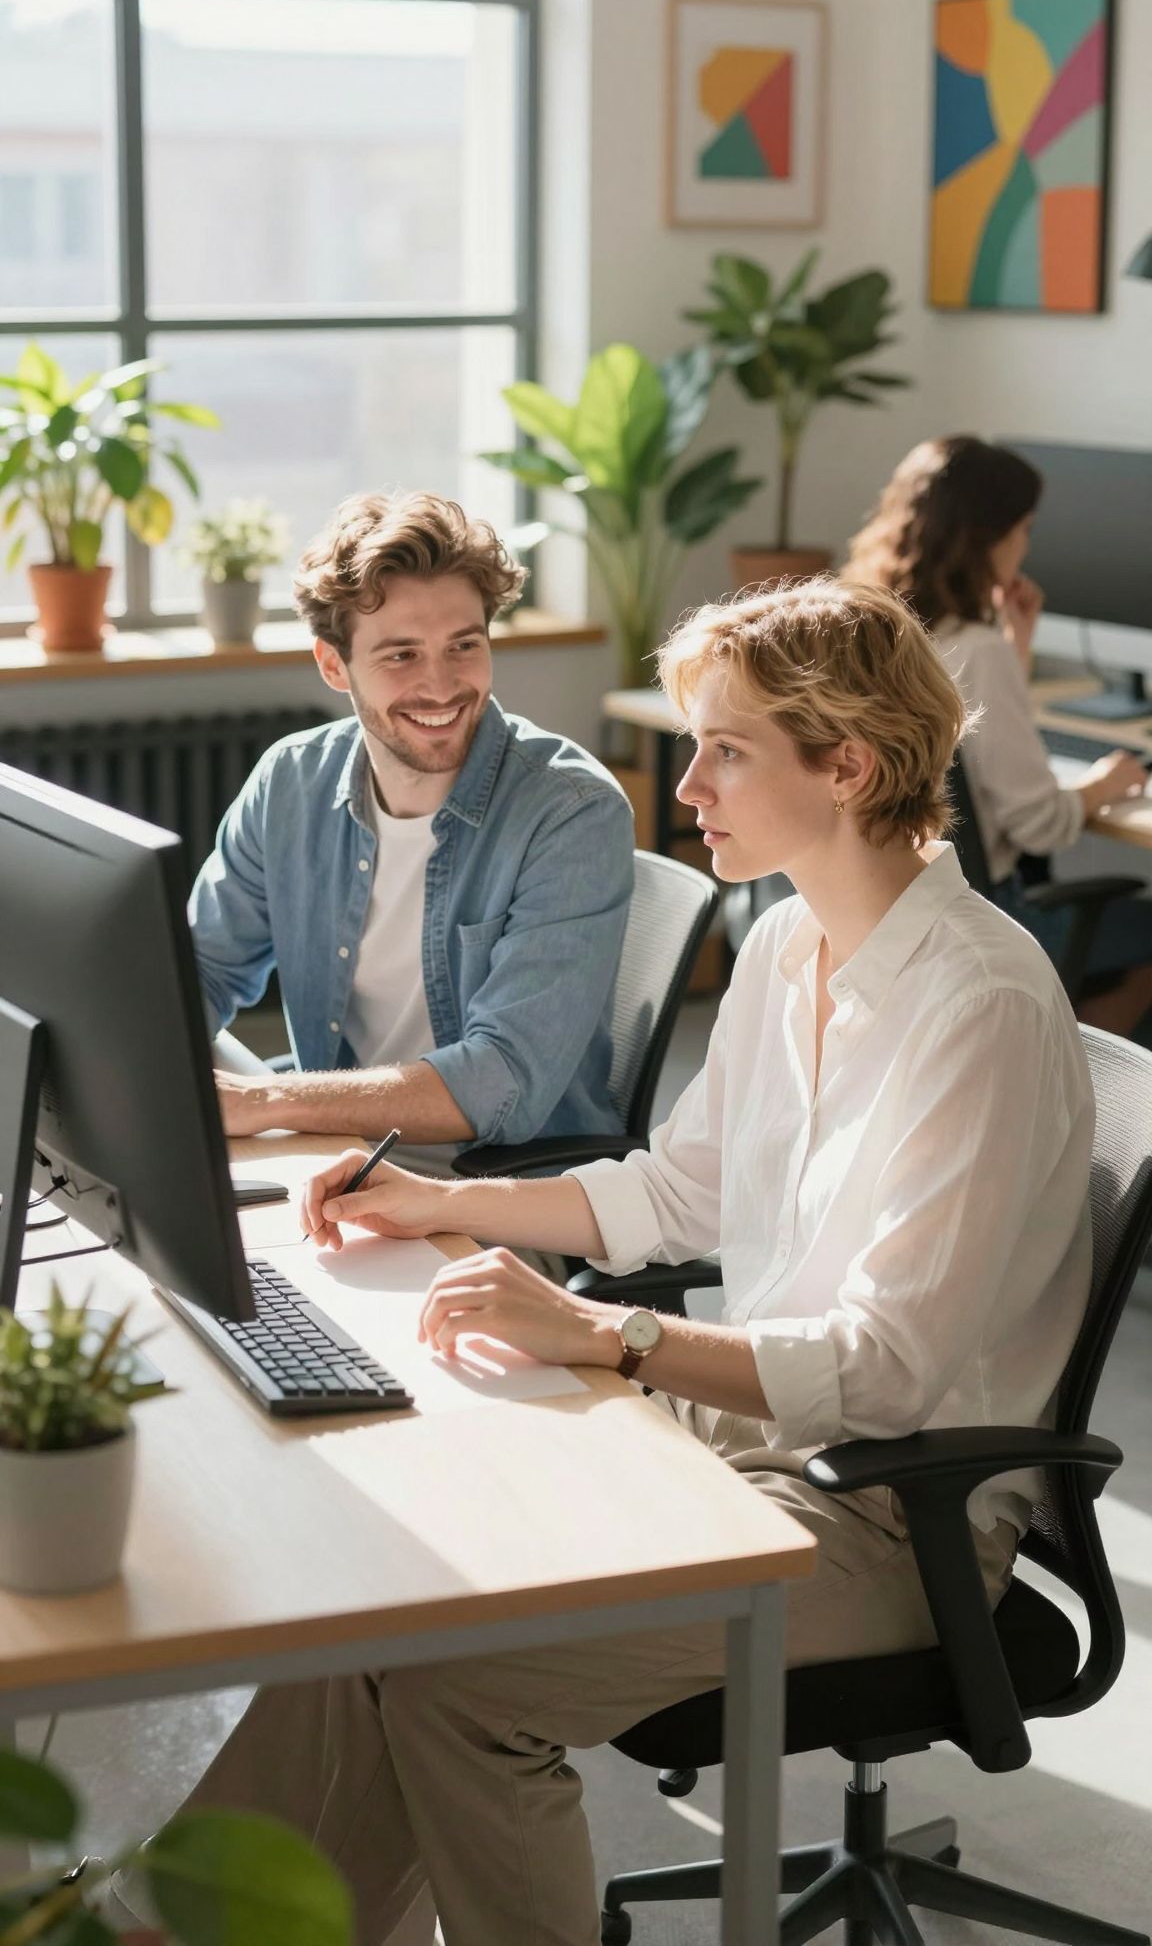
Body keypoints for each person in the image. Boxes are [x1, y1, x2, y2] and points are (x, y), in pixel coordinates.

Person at [110, 578, 1093, 1946]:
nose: (687, 785)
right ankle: (183, 1924)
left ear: (849, 766)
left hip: (890, 1515)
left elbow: (882, 1374)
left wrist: (610, 1342)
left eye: (727, 749)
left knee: (466, 1692)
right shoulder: (797, 938)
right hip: (745, 1430)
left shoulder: (973, 1006)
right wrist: (430, 1200)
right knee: (384, 1591)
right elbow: (677, 1191)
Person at [190, 490, 635, 1161]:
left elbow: (502, 1080)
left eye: (464, 645)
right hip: (338, 1163)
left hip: (499, 1196)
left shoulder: (570, 812)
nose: (442, 685)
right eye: (401, 655)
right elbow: (195, 971)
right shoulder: (290, 782)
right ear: (333, 665)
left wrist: (266, 1103)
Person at [844, 434, 1152, 1033]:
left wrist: (1018, 652)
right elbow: (1036, 822)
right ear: (985, 538)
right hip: (984, 918)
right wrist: (1101, 784)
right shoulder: (977, 651)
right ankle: (1089, 1086)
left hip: (894, 909)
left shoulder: (872, 631)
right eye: (1024, 529)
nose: (1027, 546)